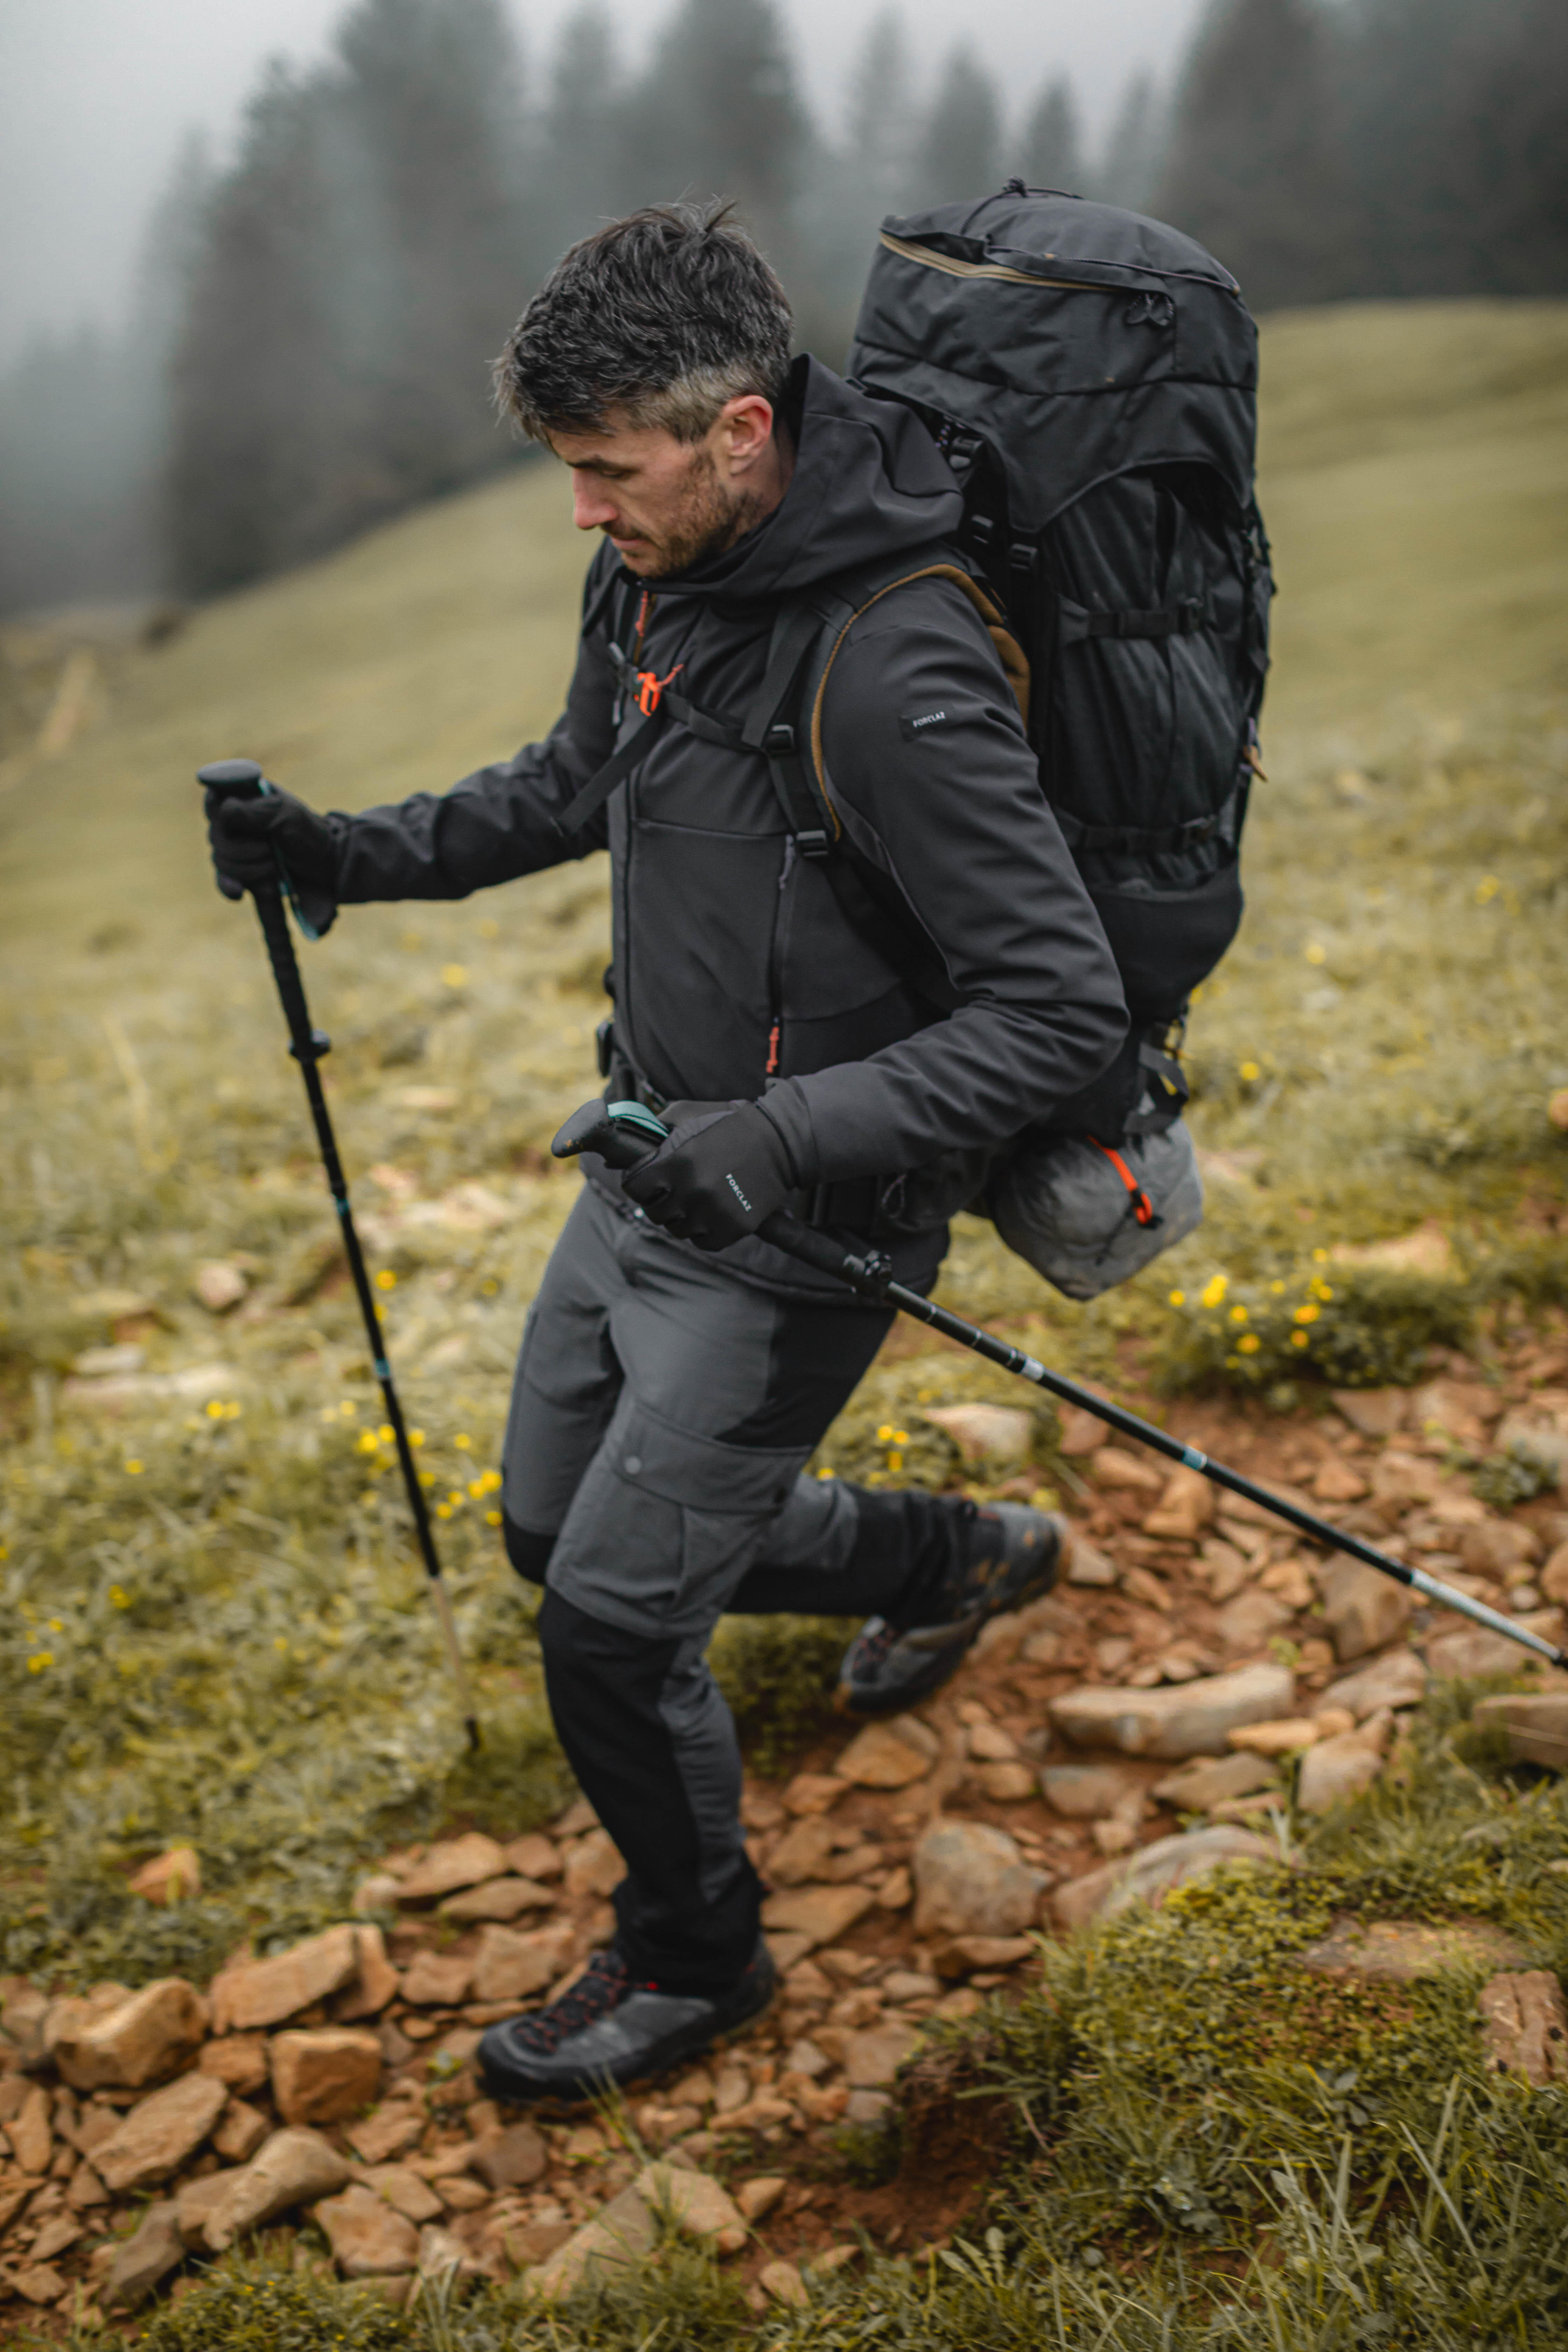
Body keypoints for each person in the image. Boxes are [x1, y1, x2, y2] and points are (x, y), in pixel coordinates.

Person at [206, 204, 1128, 2105]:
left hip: (803, 1228)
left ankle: (700, 1960)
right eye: (569, 473)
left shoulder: (896, 667)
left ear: (742, 433)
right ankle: (955, 1557)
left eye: (609, 472)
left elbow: (1061, 1014)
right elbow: (574, 785)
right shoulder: (653, 577)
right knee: (555, 1539)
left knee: (613, 1639)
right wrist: (345, 852)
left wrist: (779, 1138)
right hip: (644, 1159)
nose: (582, 513)